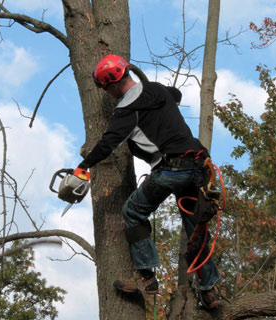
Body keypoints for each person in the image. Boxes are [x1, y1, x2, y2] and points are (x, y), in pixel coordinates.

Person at [77, 54, 220, 308]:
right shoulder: (157, 90)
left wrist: (83, 167)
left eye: (106, 88)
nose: (108, 93)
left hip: (172, 169)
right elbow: (175, 94)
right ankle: (209, 292)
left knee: (132, 212)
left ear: (110, 84)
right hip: (199, 167)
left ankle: (146, 278)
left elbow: (108, 144)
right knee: (194, 229)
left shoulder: (127, 111)